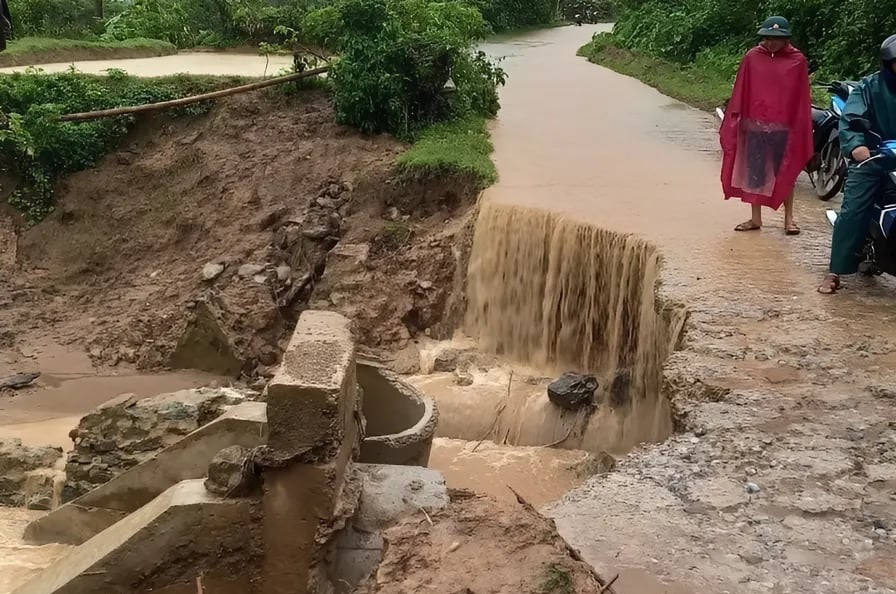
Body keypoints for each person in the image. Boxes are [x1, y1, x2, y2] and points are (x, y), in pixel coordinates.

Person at [720, 16, 813, 235]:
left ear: (786, 39)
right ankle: (756, 219)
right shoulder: (752, 57)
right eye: (768, 37)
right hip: (755, 124)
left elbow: (800, 97)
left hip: (783, 126)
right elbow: (742, 89)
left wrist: (798, 125)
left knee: (786, 173)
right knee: (756, 174)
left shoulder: (797, 60)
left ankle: (789, 219)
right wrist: (737, 120)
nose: (771, 42)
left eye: (776, 38)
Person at [819, 35, 896, 294]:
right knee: (854, 210)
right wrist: (857, 146)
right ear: (888, 65)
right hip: (875, 158)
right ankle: (835, 271)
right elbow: (851, 118)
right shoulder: (869, 87)